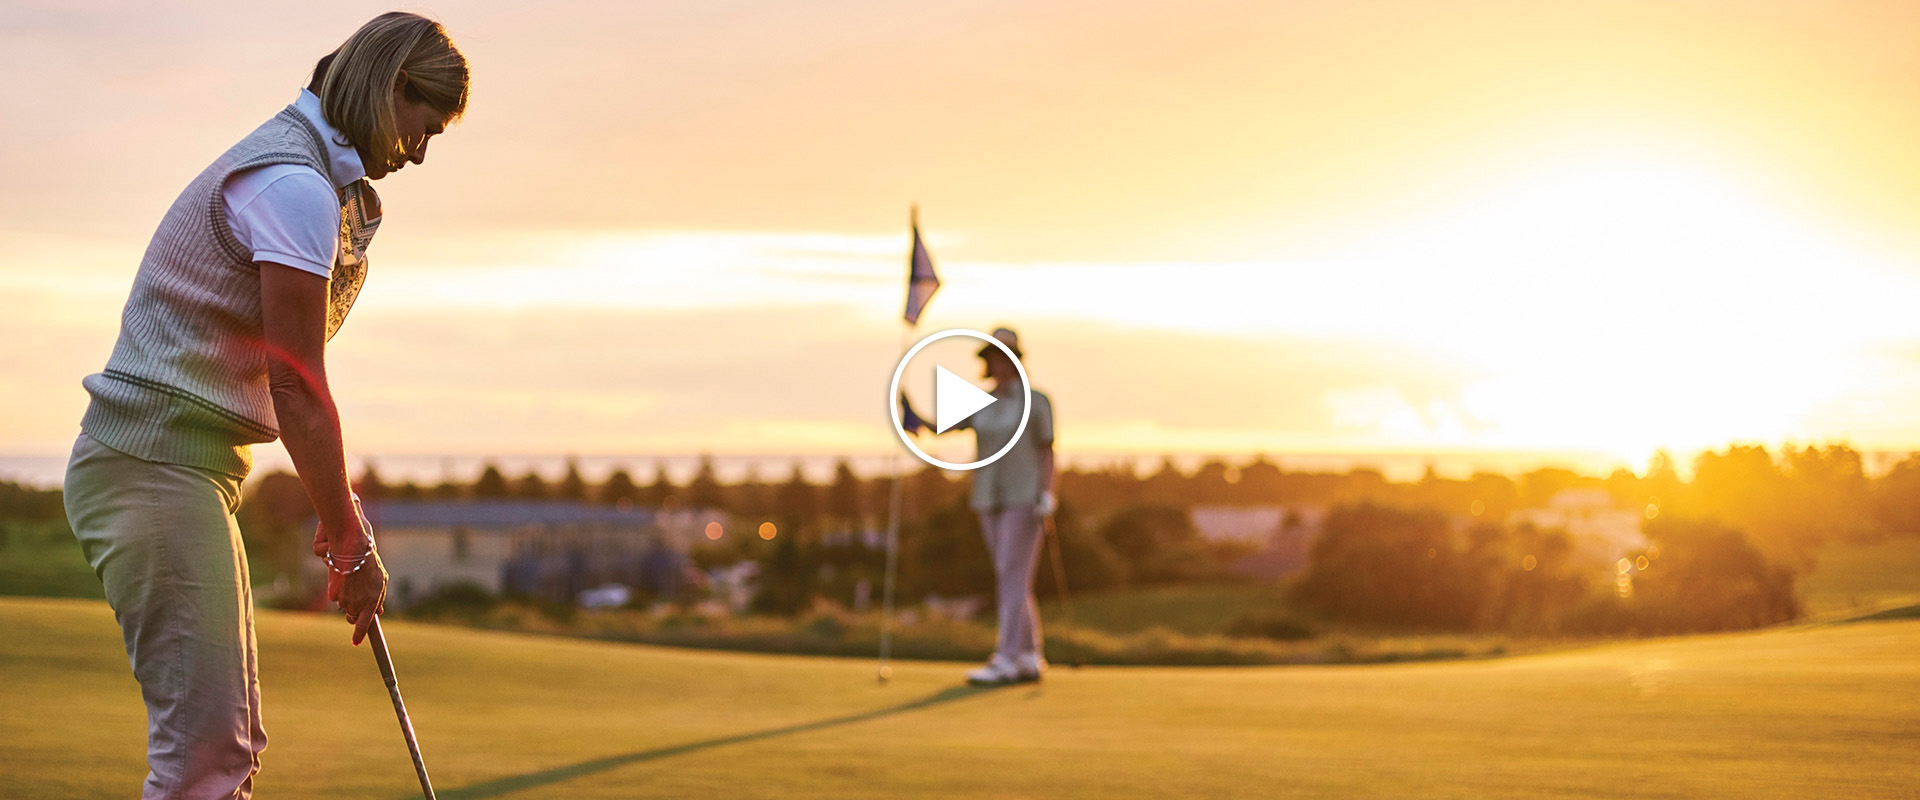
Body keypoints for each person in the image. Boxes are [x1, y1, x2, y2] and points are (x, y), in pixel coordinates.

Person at [61, 13, 469, 798]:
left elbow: (289, 389)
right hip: (151, 467)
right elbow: (297, 384)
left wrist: (339, 512)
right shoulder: (292, 185)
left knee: (231, 747)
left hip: (187, 469)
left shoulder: (315, 179)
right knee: (210, 755)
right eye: (425, 127)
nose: (419, 153)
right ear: (392, 91)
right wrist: (349, 540)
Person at [901, 327, 1058, 685]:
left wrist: (1049, 492)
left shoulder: (1037, 401)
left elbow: (1047, 450)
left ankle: (1006, 657)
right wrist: (911, 413)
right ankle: (1030, 656)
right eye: (992, 356)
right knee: (1011, 575)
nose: (997, 362)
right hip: (988, 498)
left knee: (1010, 573)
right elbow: (940, 427)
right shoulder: (982, 402)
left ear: (1015, 358)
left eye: (1003, 355)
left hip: (1025, 497)